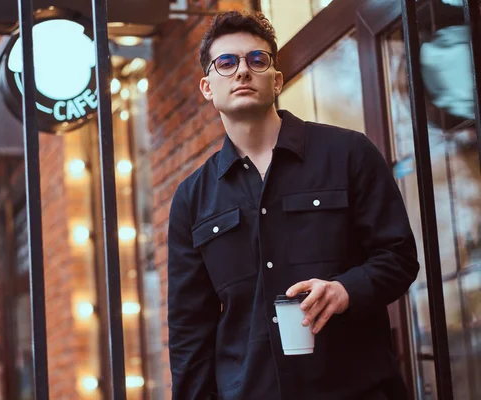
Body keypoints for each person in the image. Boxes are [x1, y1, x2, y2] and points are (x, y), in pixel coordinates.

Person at [167, 10, 420, 400]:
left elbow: (399, 256)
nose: (242, 71)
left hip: (356, 389)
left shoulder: (348, 154)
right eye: (227, 62)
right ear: (207, 86)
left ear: (278, 80)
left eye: (257, 60)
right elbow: (189, 330)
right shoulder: (192, 198)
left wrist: (344, 290)